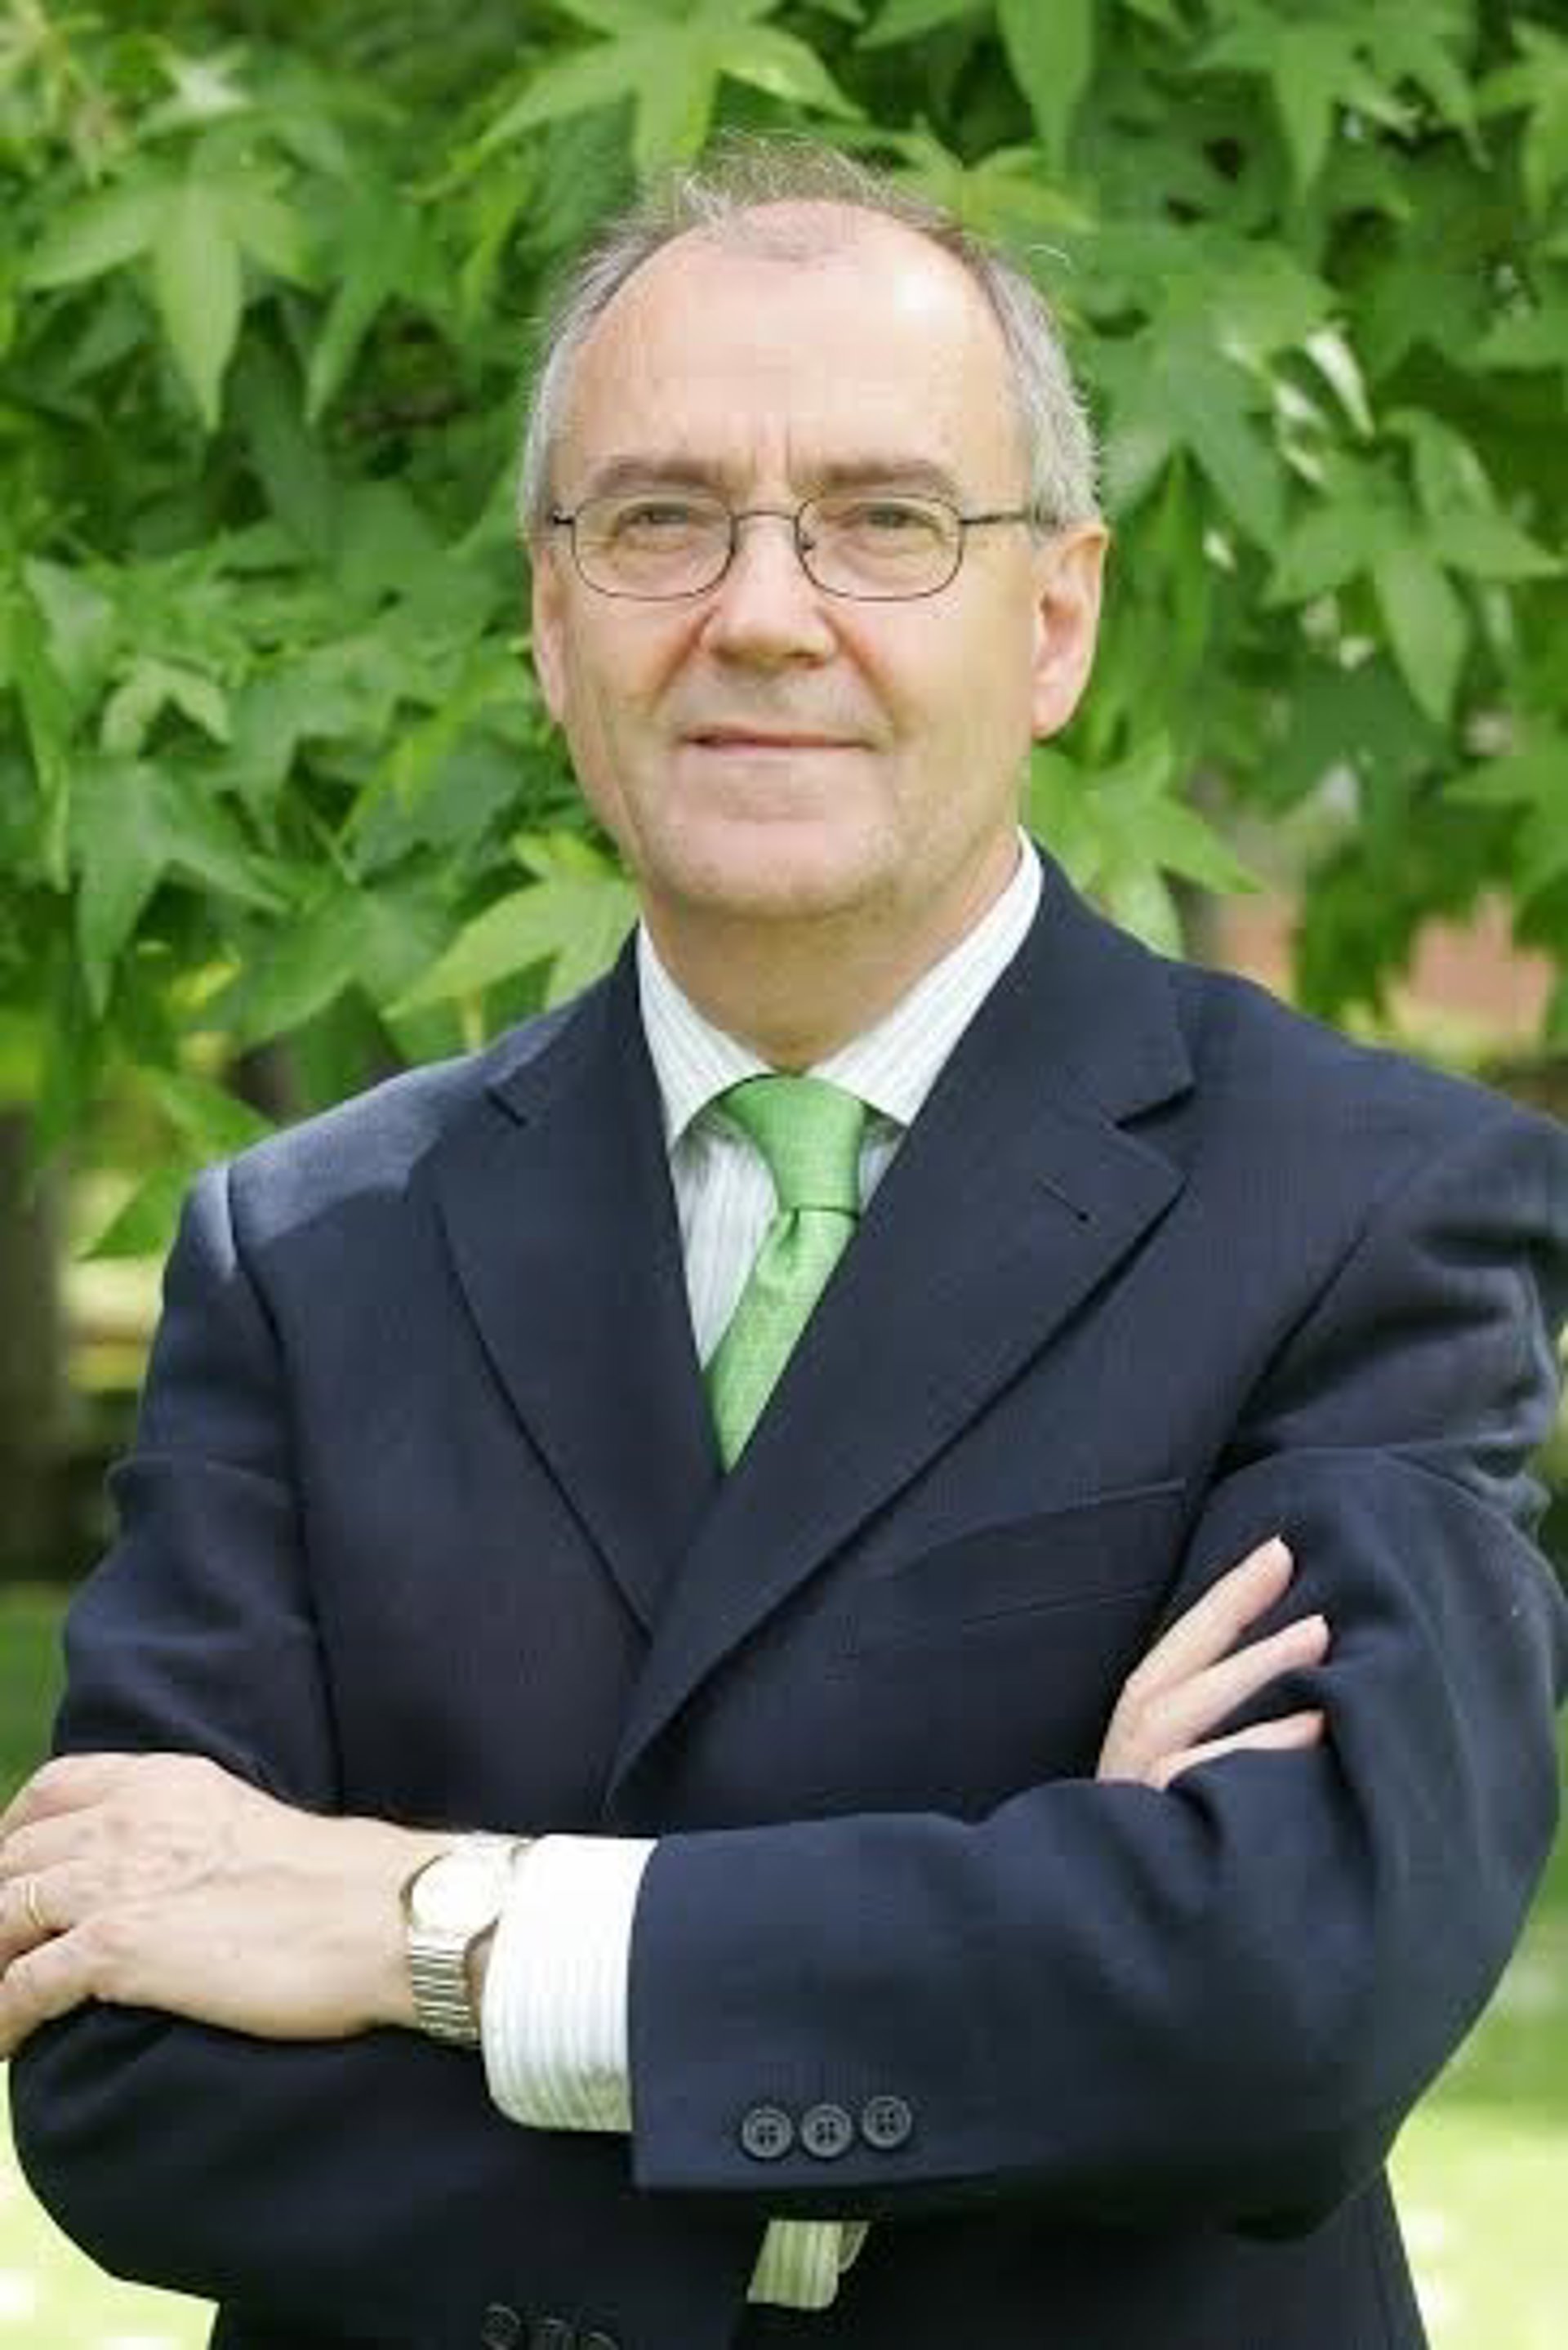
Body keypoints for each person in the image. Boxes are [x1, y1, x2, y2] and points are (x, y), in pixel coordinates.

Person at [2, 140, 1566, 2350]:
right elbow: (124, 2065)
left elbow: (1288, 1997)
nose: (759, 611)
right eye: (660, 519)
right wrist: (945, 2105)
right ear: (552, 625)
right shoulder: (309, 1246)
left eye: (884, 518)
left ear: (1055, 619)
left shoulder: (1369, 1207)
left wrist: (429, 1924)